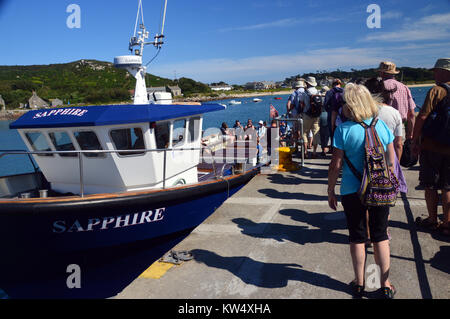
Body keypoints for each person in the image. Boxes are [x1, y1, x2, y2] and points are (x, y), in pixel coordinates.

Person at [327, 83, 397, 299]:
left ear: (350, 105)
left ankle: (359, 283)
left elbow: (336, 165)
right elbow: (391, 160)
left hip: (352, 190)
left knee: (357, 237)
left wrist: (331, 189)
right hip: (379, 187)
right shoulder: (381, 126)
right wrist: (388, 181)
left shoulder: (343, 130)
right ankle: (384, 284)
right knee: (380, 236)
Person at [411, 58, 450, 236]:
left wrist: (414, 140)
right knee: (448, 186)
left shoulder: (437, 90)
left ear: (444, 72)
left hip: (433, 146)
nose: (434, 74)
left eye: (436, 71)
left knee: (431, 185)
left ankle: (433, 219)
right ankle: (447, 223)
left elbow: (422, 117)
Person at [365, 77, 407, 193]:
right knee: (386, 198)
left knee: (366, 195)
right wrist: (394, 166)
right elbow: (398, 144)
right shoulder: (394, 113)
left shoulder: (362, 111)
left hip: (367, 157)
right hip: (388, 157)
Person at [378, 61, 416, 140]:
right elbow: (411, 114)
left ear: (382, 73)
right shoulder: (404, 87)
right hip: (400, 127)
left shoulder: (379, 86)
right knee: (399, 149)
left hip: (381, 127)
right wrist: (410, 133)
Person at [298, 76, 321, 158]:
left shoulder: (305, 93)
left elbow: (301, 103)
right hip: (317, 116)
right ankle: (314, 152)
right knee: (315, 133)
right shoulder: (318, 92)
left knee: (304, 133)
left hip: (307, 115)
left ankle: (305, 152)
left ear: (307, 83)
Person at [319, 86, 330, 156]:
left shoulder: (319, 98)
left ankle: (323, 148)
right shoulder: (329, 98)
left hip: (320, 115)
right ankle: (327, 147)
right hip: (328, 115)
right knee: (327, 134)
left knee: (321, 134)